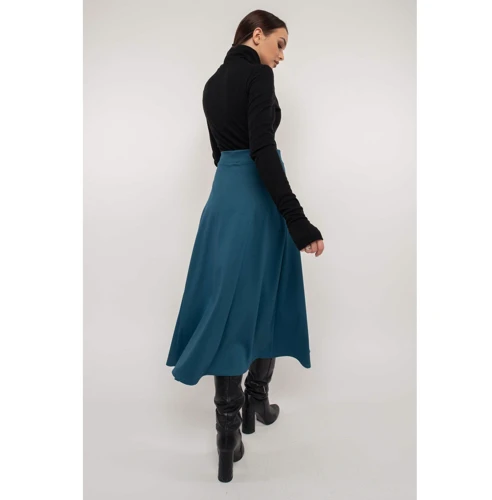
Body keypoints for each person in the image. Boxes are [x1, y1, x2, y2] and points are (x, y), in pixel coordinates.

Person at [165, 9, 325, 482]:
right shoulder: (259, 76)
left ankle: (231, 429)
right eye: (280, 44)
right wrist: (297, 220)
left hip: (224, 200)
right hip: (258, 200)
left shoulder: (211, 84)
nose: (281, 56)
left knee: (228, 306)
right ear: (257, 35)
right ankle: (253, 401)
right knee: (264, 297)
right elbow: (262, 149)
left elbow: (221, 154)